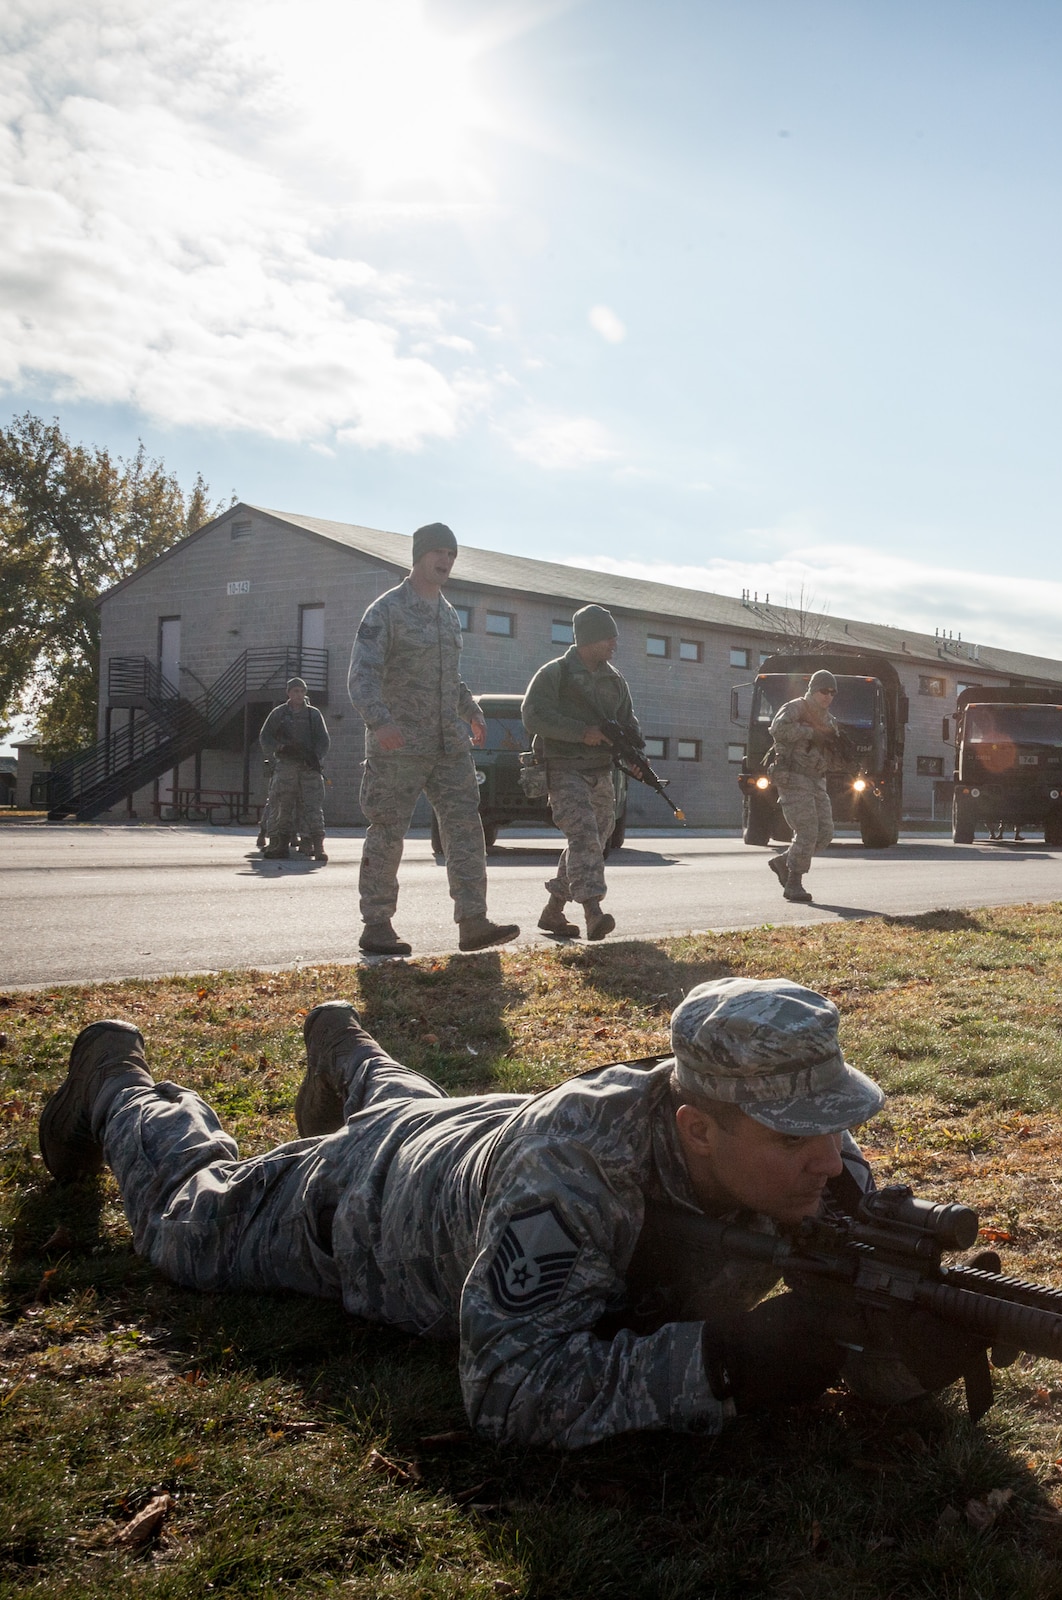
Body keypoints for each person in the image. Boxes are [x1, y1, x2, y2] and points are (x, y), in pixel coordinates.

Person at [35, 977, 932, 1446]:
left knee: (414, 1110)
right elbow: (510, 1388)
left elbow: (854, 1271)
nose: (832, 1158)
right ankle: (117, 1084)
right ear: (697, 1129)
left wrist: (906, 1332)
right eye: (793, 1141)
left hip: (475, 1132)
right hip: (370, 1199)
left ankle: (347, 1049)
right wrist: (731, 1362)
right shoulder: (575, 1175)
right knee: (191, 1225)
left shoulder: (805, 1134)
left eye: (839, 1124)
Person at [347, 522, 517, 956]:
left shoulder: (447, 613)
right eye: (438, 552)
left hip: (448, 745)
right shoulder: (385, 610)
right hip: (398, 745)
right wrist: (379, 722)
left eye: (452, 554)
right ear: (418, 556)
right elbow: (361, 675)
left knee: (466, 827)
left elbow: (448, 677)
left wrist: (471, 710)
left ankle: (473, 921)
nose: (445, 561)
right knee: (388, 831)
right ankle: (377, 924)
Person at [521, 605, 640, 942]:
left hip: (600, 771)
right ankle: (593, 912)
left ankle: (553, 910)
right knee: (584, 835)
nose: (614, 642)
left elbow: (628, 722)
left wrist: (633, 753)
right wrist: (581, 731)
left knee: (596, 838)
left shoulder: (614, 680)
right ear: (588, 639)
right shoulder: (554, 674)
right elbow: (532, 716)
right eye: (608, 636)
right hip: (563, 769)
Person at [766, 669, 843, 904]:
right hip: (793, 776)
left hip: (817, 779)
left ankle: (784, 862)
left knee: (825, 833)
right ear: (812, 689)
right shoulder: (795, 708)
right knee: (807, 830)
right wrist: (810, 733)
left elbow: (832, 751)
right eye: (823, 691)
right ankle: (793, 884)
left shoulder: (830, 719)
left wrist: (840, 750)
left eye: (832, 692)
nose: (828, 696)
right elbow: (777, 730)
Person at [257, 676, 330, 862]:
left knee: (312, 806)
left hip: (308, 767)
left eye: (302, 691)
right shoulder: (279, 714)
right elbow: (265, 737)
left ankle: (317, 845)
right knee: (282, 805)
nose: (299, 694)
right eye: (295, 691)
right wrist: (278, 749)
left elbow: (323, 740)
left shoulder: (313, 715)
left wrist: (315, 757)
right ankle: (280, 844)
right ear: (288, 693)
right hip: (286, 766)